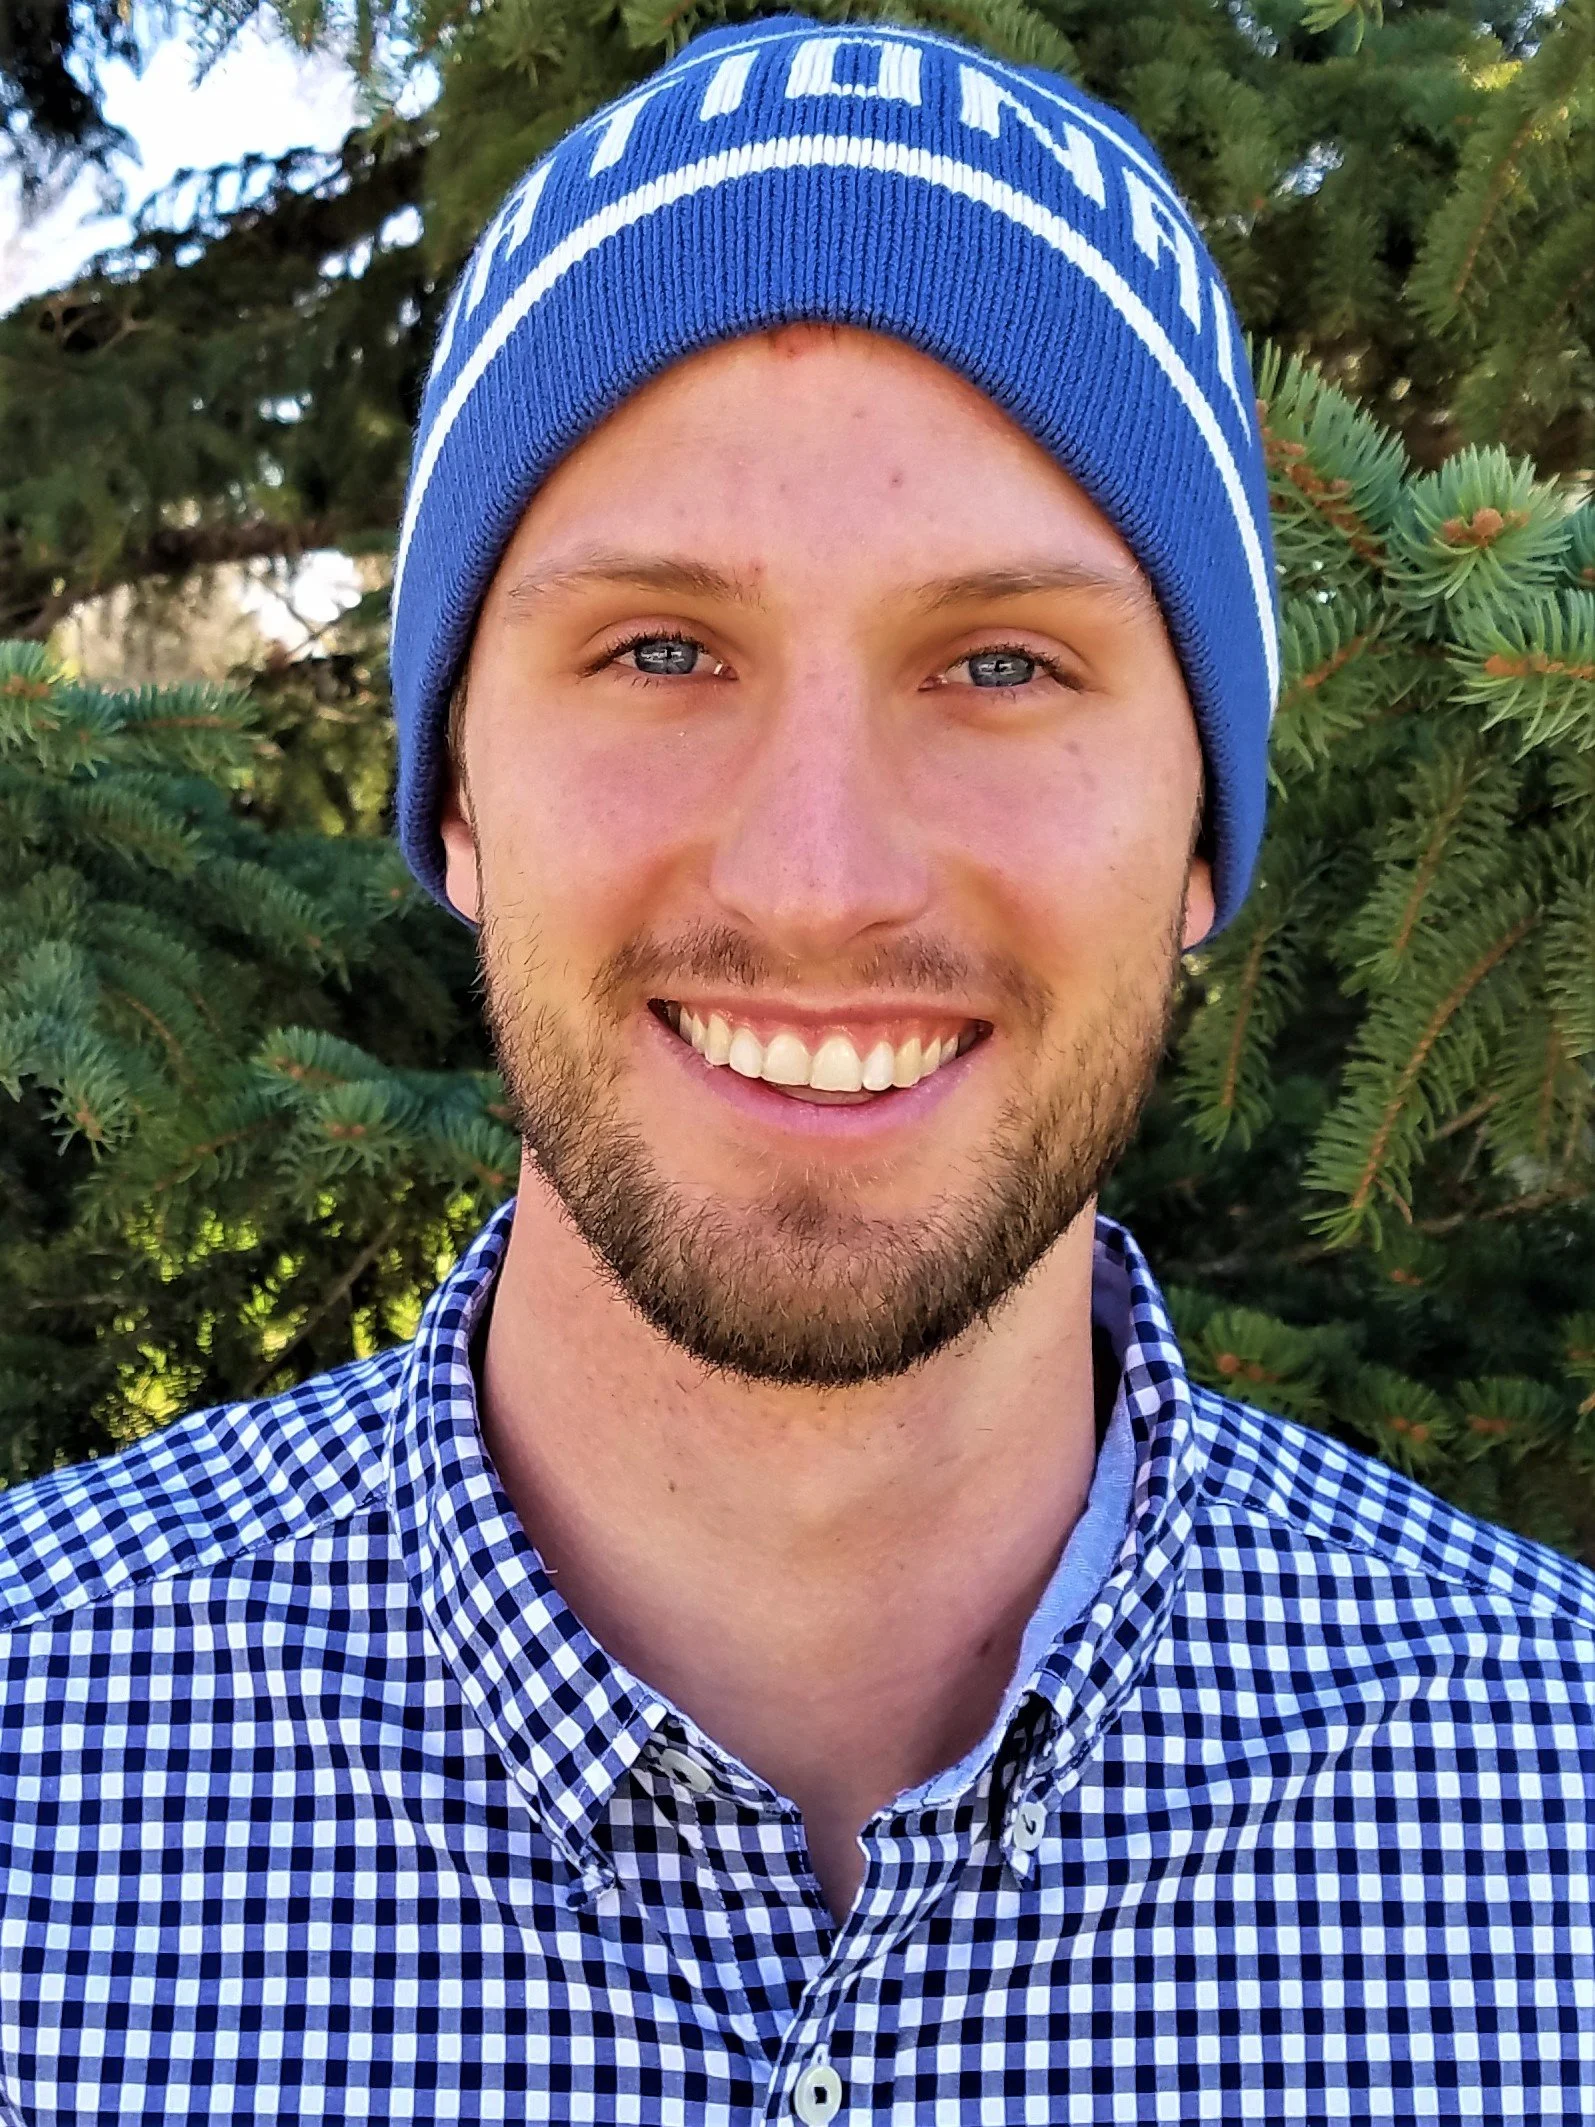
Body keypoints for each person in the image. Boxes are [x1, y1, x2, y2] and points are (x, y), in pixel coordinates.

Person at [2, 15, 1591, 2122]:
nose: (819, 878)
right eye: (658, 649)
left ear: (1203, 832)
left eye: (1002, 662)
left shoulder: (1545, 1815)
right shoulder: (40, 1766)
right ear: (453, 792)